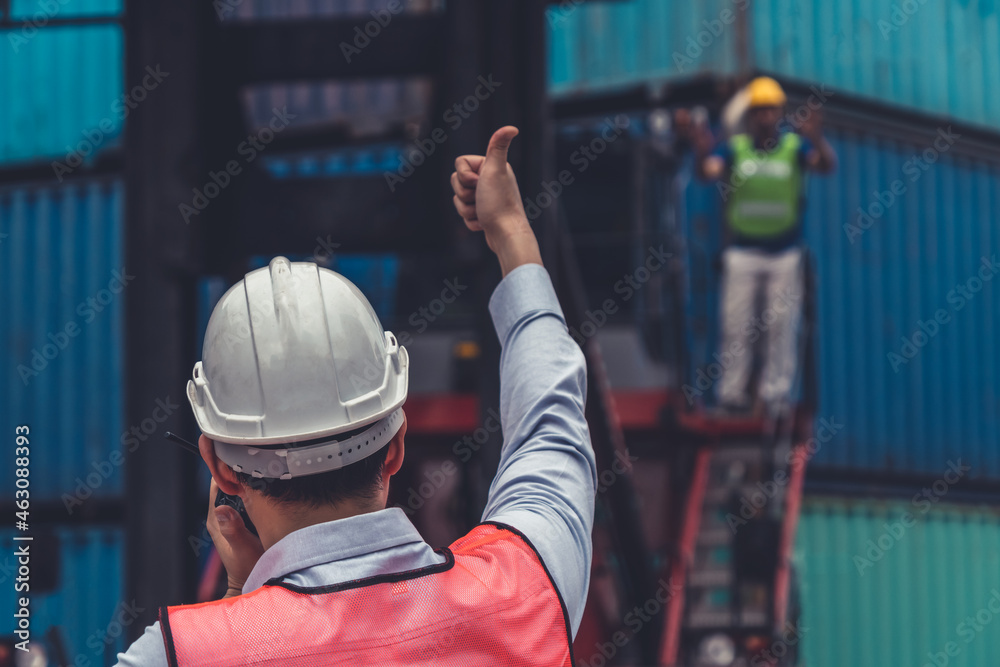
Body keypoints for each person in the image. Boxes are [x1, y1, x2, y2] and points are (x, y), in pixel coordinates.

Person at [114, 126, 596, 666]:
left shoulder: (177, 654)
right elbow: (552, 427)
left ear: (221, 471)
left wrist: (239, 608)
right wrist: (511, 232)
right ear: (395, 445)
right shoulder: (525, 589)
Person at [683, 76, 836, 416]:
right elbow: (707, 171)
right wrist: (700, 146)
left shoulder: (796, 149)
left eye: (771, 110)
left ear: (780, 113)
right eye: (759, 111)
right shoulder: (734, 149)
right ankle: (731, 395)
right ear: (750, 115)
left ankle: (775, 396)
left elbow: (825, 165)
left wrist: (817, 138)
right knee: (735, 325)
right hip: (743, 253)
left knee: (781, 325)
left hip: (785, 253)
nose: (766, 117)